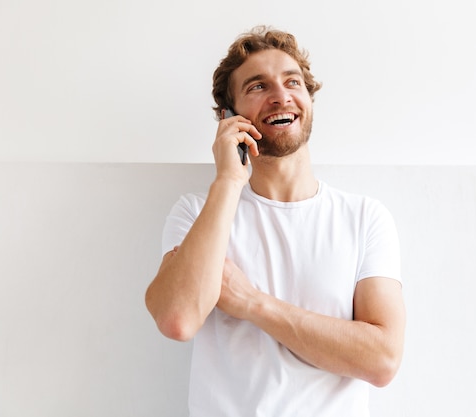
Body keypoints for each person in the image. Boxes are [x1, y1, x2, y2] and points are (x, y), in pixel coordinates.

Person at [145, 25, 406, 417]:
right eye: (257, 87)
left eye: (292, 82)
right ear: (228, 115)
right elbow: (177, 319)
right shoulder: (197, 212)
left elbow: (382, 360)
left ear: (309, 99)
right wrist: (230, 180)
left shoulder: (365, 218)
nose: (280, 96)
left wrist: (253, 304)